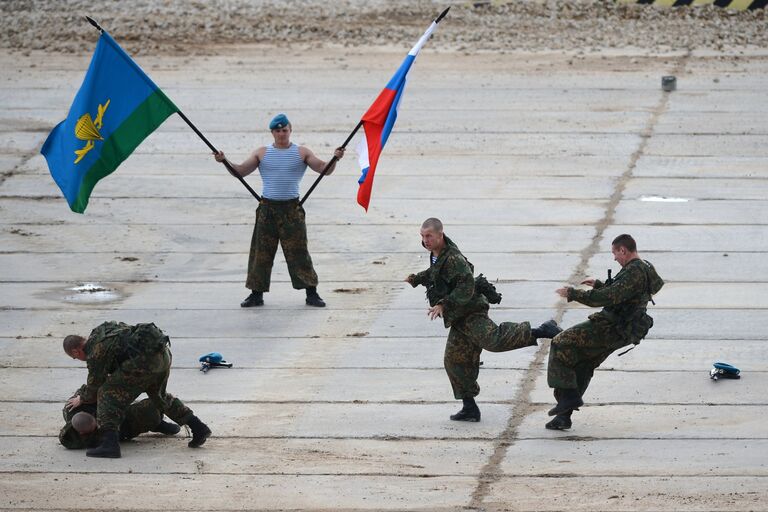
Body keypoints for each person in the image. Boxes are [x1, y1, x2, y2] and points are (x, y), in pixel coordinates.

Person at [406, 218, 562, 422]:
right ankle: (469, 408)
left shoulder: (453, 258)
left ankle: (542, 330)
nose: (425, 240)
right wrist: (417, 279)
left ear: (440, 235)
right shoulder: (437, 254)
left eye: (429, 236)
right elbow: (436, 274)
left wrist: (443, 304)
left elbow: (466, 285)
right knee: (454, 360)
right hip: (459, 318)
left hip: (471, 312)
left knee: (494, 340)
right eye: (422, 236)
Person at [214, 113, 345, 308]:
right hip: (267, 209)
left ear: (290, 130)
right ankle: (256, 294)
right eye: (278, 131)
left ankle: (312, 293)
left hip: (292, 210)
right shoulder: (262, 153)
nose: (281, 134)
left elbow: (324, 169)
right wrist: (224, 161)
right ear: (272, 132)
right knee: (261, 253)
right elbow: (239, 171)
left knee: (299, 252)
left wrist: (335, 158)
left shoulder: (301, 152)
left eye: (285, 130)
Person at [547, 234, 664, 430]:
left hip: (610, 327)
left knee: (560, 342)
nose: (614, 258)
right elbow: (627, 293)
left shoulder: (634, 271)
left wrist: (572, 293)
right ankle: (563, 417)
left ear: (623, 250)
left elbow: (606, 298)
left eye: (615, 253)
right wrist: (600, 284)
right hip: (623, 330)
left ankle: (567, 397)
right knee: (585, 363)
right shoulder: (644, 268)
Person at [63, 321, 212, 458]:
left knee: (106, 394)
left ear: (76, 351)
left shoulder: (95, 353)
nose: (79, 359)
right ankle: (198, 427)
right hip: (161, 353)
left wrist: (81, 398)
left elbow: (94, 386)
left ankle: (109, 444)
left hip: (143, 363)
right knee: (159, 396)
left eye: (75, 357)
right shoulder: (101, 331)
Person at [59, 384, 181, 450]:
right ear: (81, 433)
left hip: (113, 407)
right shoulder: (72, 438)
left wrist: (83, 397)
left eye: (97, 421)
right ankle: (156, 424)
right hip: (123, 426)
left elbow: (90, 387)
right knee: (151, 409)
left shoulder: (71, 408)